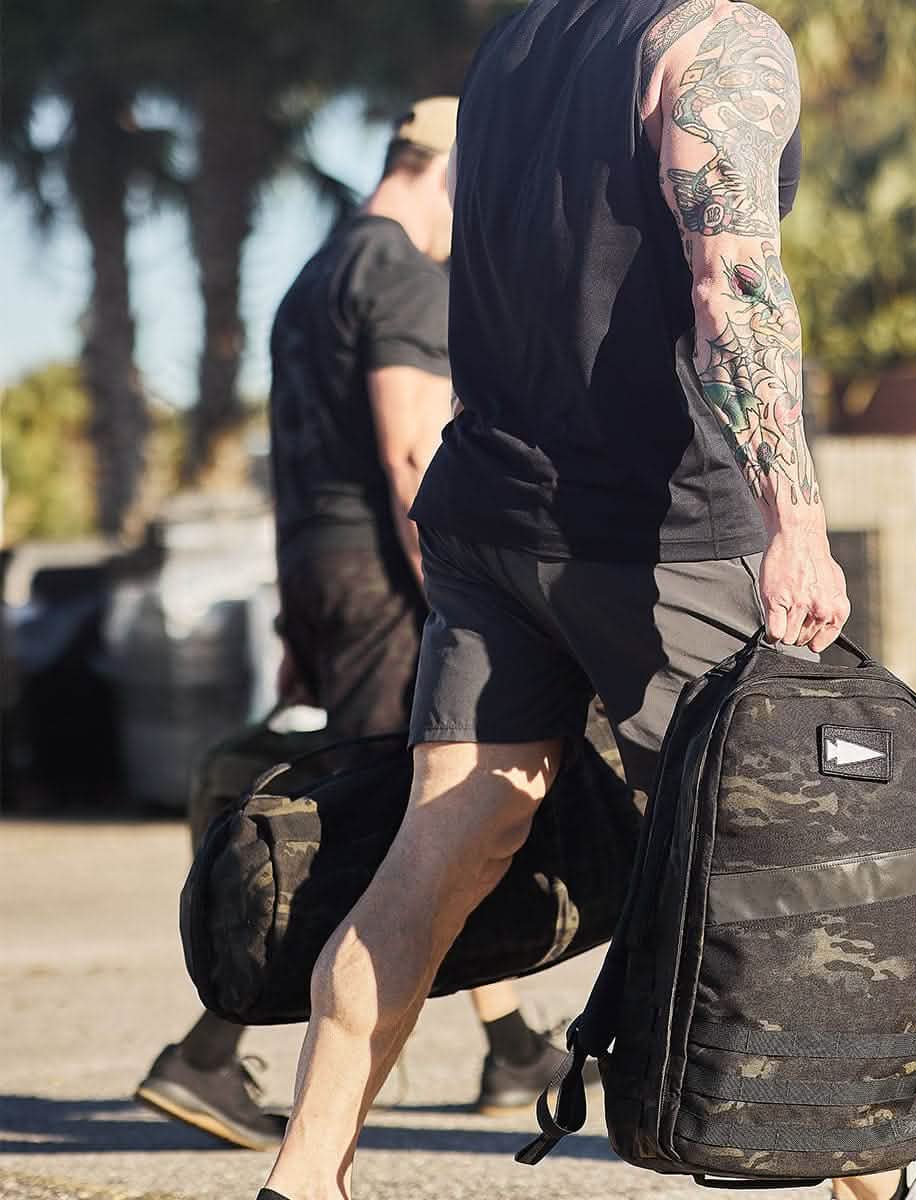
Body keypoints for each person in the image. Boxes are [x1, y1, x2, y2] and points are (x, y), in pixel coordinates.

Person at [258, 4, 916, 1199]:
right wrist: (795, 520)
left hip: (495, 520)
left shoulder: (515, 49)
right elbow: (731, 274)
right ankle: (902, 1183)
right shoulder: (716, 44)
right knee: (791, 847)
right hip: (663, 527)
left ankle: (302, 1179)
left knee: (435, 853)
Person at [134, 99, 572, 1152]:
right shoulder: (406, 276)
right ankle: (203, 1052)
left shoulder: (316, 276)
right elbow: (411, 452)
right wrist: (462, 592)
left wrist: (297, 609)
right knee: (391, 826)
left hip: (323, 567)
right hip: (389, 573)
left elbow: (298, 459)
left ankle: (513, 1051)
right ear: (446, 169)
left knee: (429, 819)